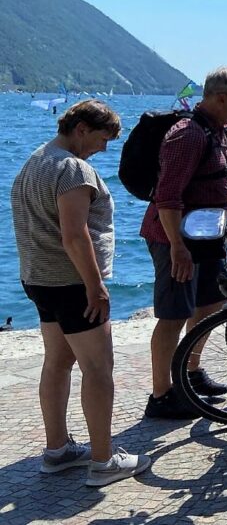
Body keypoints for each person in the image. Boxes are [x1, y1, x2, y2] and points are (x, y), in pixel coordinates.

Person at [11, 100, 151, 486]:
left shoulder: (34, 161)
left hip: (39, 279)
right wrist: (96, 286)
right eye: (103, 139)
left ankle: (57, 451)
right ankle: (104, 462)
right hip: (73, 284)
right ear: (82, 128)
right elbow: (74, 234)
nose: (103, 149)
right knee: (98, 369)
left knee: (57, 362)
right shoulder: (73, 168)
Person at [142, 66, 227, 419]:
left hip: (207, 234)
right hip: (176, 238)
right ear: (220, 98)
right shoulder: (187, 134)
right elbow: (167, 196)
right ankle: (161, 395)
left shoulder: (221, 131)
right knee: (174, 314)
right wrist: (177, 247)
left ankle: (190, 372)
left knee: (211, 304)